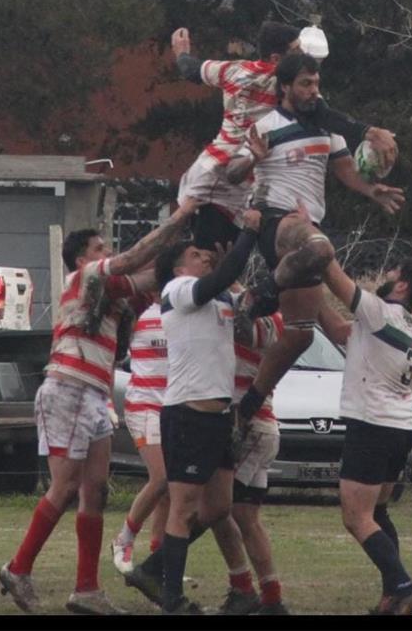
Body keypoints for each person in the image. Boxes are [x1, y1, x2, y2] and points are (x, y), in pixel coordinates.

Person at [0, 198, 201, 615]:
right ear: (80, 259)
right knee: (65, 487)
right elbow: (134, 261)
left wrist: (188, 251)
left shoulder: (111, 294)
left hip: (93, 395)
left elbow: (151, 277)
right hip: (68, 387)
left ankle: (86, 590)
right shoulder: (84, 277)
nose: (107, 253)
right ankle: (18, 569)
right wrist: (178, 218)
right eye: (99, 248)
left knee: (96, 490)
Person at [233, 54, 405, 436]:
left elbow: (346, 172)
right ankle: (257, 296)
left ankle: (243, 412)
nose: (314, 91)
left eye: (316, 83)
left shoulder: (327, 127)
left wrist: (372, 190)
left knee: (300, 334)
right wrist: (249, 161)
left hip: (308, 229)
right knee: (321, 248)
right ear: (285, 87)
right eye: (305, 84)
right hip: (278, 223)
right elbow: (231, 172)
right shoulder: (266, 126)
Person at [171, 23, 397, 250]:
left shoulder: (232, 69)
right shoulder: (281, 83)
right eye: (296, 50)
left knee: (223, 261)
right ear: (276, 60)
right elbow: (324, 114)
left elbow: (191, 70)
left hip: (229, 179)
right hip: (221, 179)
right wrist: (369, 132)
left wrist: (182, 53)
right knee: (207, 260)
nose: (303, 55)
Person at [316, 253, 412, 615]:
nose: (384, 275)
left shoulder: (379, 311)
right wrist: (311, 299)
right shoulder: (399, 322)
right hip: (398, 427)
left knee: (356, 517)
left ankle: (404, 586)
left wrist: (309, 241)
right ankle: (392, 595)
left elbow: (333, 274)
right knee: (378, 513)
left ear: (402, 285)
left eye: (392, 272)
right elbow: (340, 332)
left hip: (372, 424)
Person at [151, 241, 264, 615]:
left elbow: (259, 302)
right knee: (183, 508)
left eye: (205, 253)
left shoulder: (220, 297)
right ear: (178, 268)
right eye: (195, 255)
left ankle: (151, 570)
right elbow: (220, 277)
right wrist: (248, 234)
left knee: (218, 507)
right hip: (189, 413)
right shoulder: (179, 289)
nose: (204, 257)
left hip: (219, 416)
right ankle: (172, 598)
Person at [227, 294, 293, 615]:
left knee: (214, 508)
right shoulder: (273, 319)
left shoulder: (270, 323)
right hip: (261, 429)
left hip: (252, 429)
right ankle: (271, 595)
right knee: (246, 519)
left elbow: (244, 331)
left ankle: (242, 587)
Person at [111, 302, 171, 575]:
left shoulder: (184, 306)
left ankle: (158, 562)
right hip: (144, 405)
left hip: (173, 407)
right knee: (161, 478)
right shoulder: (138, 310)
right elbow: (112, 356)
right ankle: (123, 540)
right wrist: (108, 401)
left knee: (169, 490)